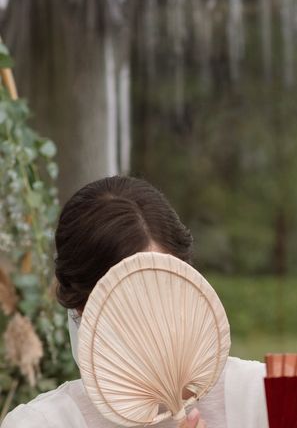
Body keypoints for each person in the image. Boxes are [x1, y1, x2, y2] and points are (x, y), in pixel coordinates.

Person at [2, 176, 267, 428]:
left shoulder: (261, 396)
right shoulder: (43, 423)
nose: (156, 318)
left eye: (166, 287)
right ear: (82, 308)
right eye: (129, 301)